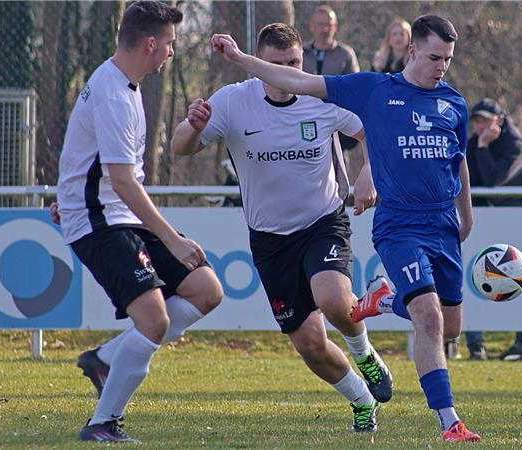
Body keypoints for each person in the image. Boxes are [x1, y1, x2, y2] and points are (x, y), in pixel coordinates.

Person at [211, 14, 482, 443]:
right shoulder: (374, 88)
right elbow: (298, 82)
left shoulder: (454, 104)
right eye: (434, 57)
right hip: (394, 225)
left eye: (448, 58)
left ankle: (386, 299)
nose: (441, 66)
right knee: (416, 319)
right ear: (412, 51)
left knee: (449, 329)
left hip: (443, 225)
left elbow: (459, 159)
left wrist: (467, 215)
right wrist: (241, 58)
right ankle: (448, 422)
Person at [171, 23, 394, 433]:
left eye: (293, 63)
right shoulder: (235, 102)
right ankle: (362, 401)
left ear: (302, 62)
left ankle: (364, 352)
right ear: (258, 66)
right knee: (309, 345)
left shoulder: (320, 98)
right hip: (270, 239)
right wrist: (194, 124)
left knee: (331, 298)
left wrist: (369, 175)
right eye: (276, 65)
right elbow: (180, 147)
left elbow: (376, 132)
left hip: (323, 222)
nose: (286, 73)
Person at [54, 1, 224, 442]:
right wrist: (172, 238)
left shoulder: (123, 85)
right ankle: (103, 423)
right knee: (154, 321)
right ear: (150, 43)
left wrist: (67, 190)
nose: (171, 52)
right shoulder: (111, 92)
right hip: (100, 221)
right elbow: (123, 181)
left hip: (119, 214)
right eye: (169, 43)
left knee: (207, 290)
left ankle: (108, 357)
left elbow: (83, 154)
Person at [464, 98, 522, 362]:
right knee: (505, 280)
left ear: (499, 120)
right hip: (500, 219)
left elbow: (495, 180)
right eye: (477, 121)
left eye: (485, 120)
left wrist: (482, 147)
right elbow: (470, 181)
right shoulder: (475, 143)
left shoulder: (517, 145)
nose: (480, 126)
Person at [301, 5, 362, 180]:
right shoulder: (301, 53)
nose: (324, 29)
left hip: (335, 121)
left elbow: (354, 87)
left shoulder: (345, 54)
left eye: (329, 24)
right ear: (312, 26)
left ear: (335, 27)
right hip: (304, 117)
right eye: (320, 24)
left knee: (338, 169)